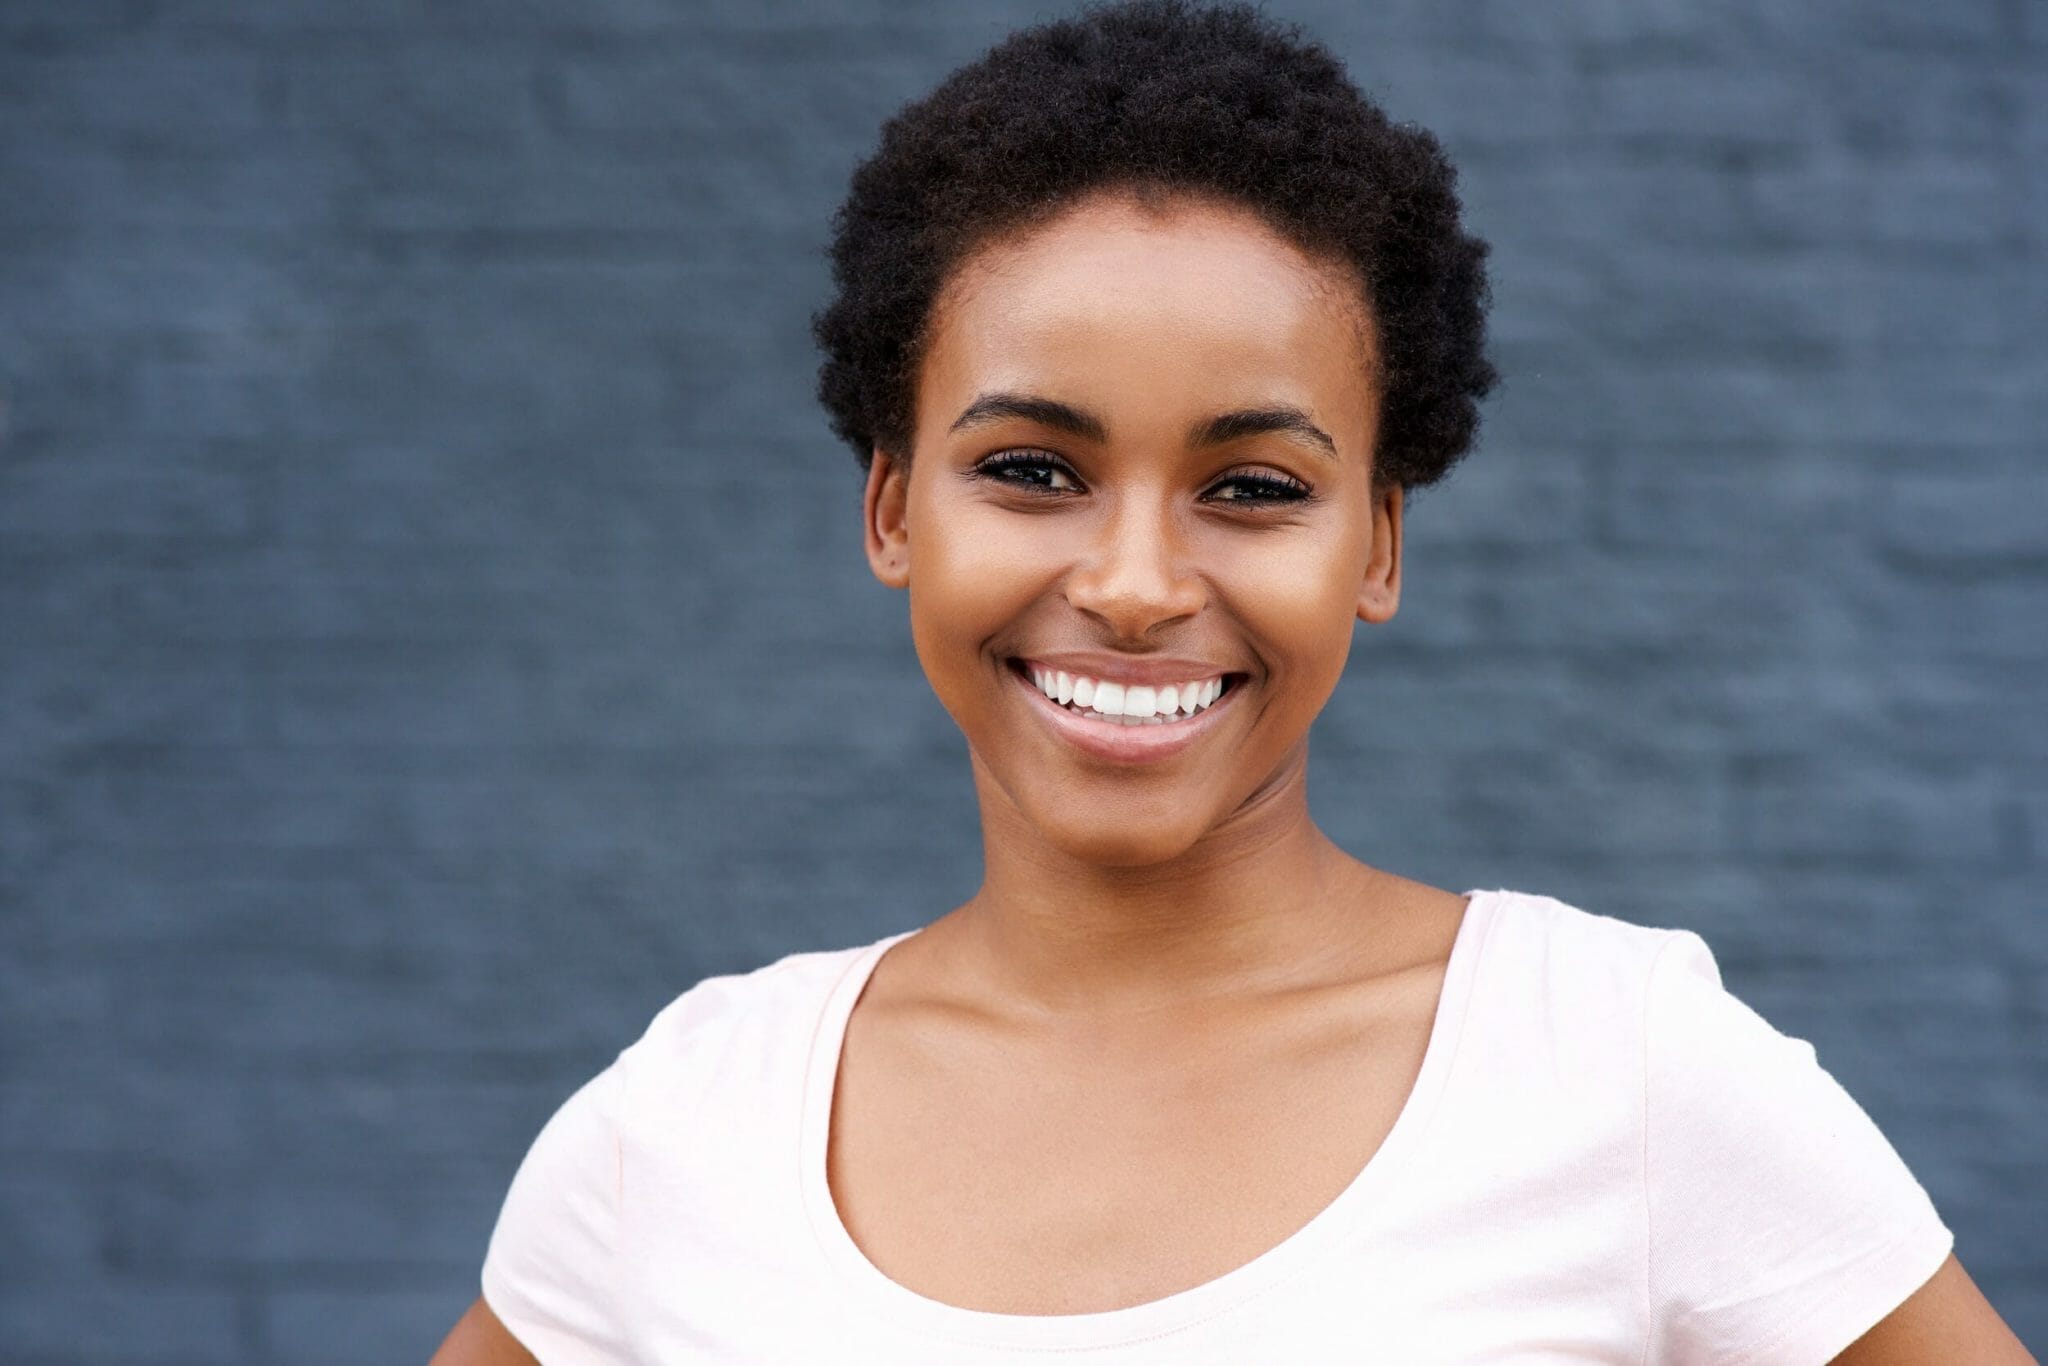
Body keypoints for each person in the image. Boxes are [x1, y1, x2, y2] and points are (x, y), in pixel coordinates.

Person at [433, 2, 2032, 1360]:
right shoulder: (693, 1119)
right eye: (1033, 468)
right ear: (893, 507)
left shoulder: (1615, 1068)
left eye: (1253, 486)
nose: (1133, 585)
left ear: (1379, 545)